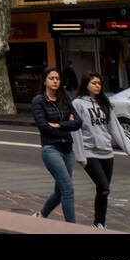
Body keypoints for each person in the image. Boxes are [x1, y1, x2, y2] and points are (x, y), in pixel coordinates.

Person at [72, 73, 130, 229]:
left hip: (106, 152)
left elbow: (115, 127)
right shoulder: (78, 104)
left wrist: (129, 149)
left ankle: (99, 222)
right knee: (103, 186)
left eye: (99, 83)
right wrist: (80, 155)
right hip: (89, 152)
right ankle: (98, 222)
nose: (97, 86)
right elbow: (75, 131)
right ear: (86, 84)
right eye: (93, 83)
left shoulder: (104, 102)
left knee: (104, 191)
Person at [32, 66, 83, 223]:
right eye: (51, 78)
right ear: (45, 81)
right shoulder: (39, 101)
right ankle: (72, 228)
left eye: (57, 79)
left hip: (67, 148)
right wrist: (67, 124)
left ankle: (41, 215)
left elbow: (78, 122)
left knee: (60, 191)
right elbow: (44, 127)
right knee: (67, 188)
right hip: (50, 148)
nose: (55, 81)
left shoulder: (65, 99)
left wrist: (60, 125)